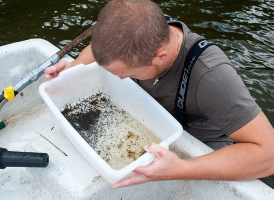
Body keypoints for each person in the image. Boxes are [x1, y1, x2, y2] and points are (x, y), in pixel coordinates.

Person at [45, 0, 274, 189]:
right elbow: (99, 53)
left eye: (131, 73)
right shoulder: (140, 28)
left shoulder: (212, 76)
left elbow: (269, 155)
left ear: (160, 56)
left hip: (205, 148)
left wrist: (182, 169)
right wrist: (75, 66)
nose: (122, 79)